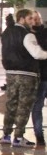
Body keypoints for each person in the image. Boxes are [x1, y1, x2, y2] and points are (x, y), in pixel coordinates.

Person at [0, 8, 47, 147]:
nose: (33, 21)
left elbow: (2, 52)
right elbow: (37, 54)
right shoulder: (27, 34)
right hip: (27, 74)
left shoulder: (6, 33)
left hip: (11, 74)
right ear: (22, 19)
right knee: (24, 107)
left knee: (11, 104)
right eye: (30, 19)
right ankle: (18, 137)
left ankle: (6, 135)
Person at [30, 12, 47, 146]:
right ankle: (39, 135)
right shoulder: (28, 35)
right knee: (37, 106)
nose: (35, 21)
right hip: (38, 76)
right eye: (33, 19)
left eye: (37, 18)